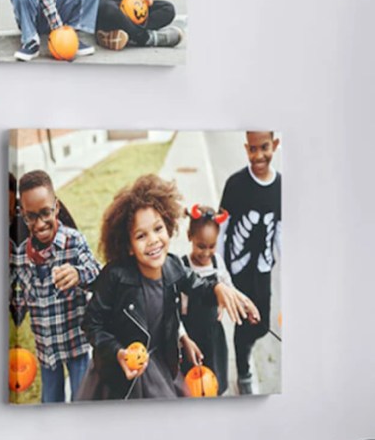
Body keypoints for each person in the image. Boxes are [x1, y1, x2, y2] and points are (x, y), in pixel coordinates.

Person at [77, 175, 259, 400]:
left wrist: (218, 289)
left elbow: (199, 286)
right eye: (141, 235)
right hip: (120, 377)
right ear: (129, 246)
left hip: (161, 368)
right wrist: (117, 352)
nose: (153, 240)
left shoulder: (173, 267)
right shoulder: (115, 277)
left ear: (169, 226)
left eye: (158, 228)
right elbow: (92, 323)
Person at [9, 171, 99, 402]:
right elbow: (23, 300)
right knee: (50, 404)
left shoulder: (73, 241)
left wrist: (79, 274)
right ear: (23, 215)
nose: (39, 223)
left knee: (82, 400)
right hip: (46, 349)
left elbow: (99, 275)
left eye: (45, 213)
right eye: (31, 217)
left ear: (56, 207)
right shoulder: (21, 255)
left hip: (76, 343)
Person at [219, 131, 282, 395]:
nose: (258, 155)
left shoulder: (280, 186)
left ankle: (245, 351)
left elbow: (279, 230)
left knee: (263, 323)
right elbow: (222, 231)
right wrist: (222, 274)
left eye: (264, 147)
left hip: (263, 268)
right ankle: (244, 370)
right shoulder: (235, 184)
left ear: (275, 145)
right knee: (243, 324)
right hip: (238, 270)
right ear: (246, 148)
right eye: (252, 149)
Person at [179, 205, 236, 396]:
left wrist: (228, 300)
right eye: (201, 246)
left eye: (211, 246)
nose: (206, 252)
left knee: (214, 377)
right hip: (190, 331)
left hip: (213, 332)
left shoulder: (218, 262)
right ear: (190, 237)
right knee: (190, 382)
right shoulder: (182, 265)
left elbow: (228, 284)